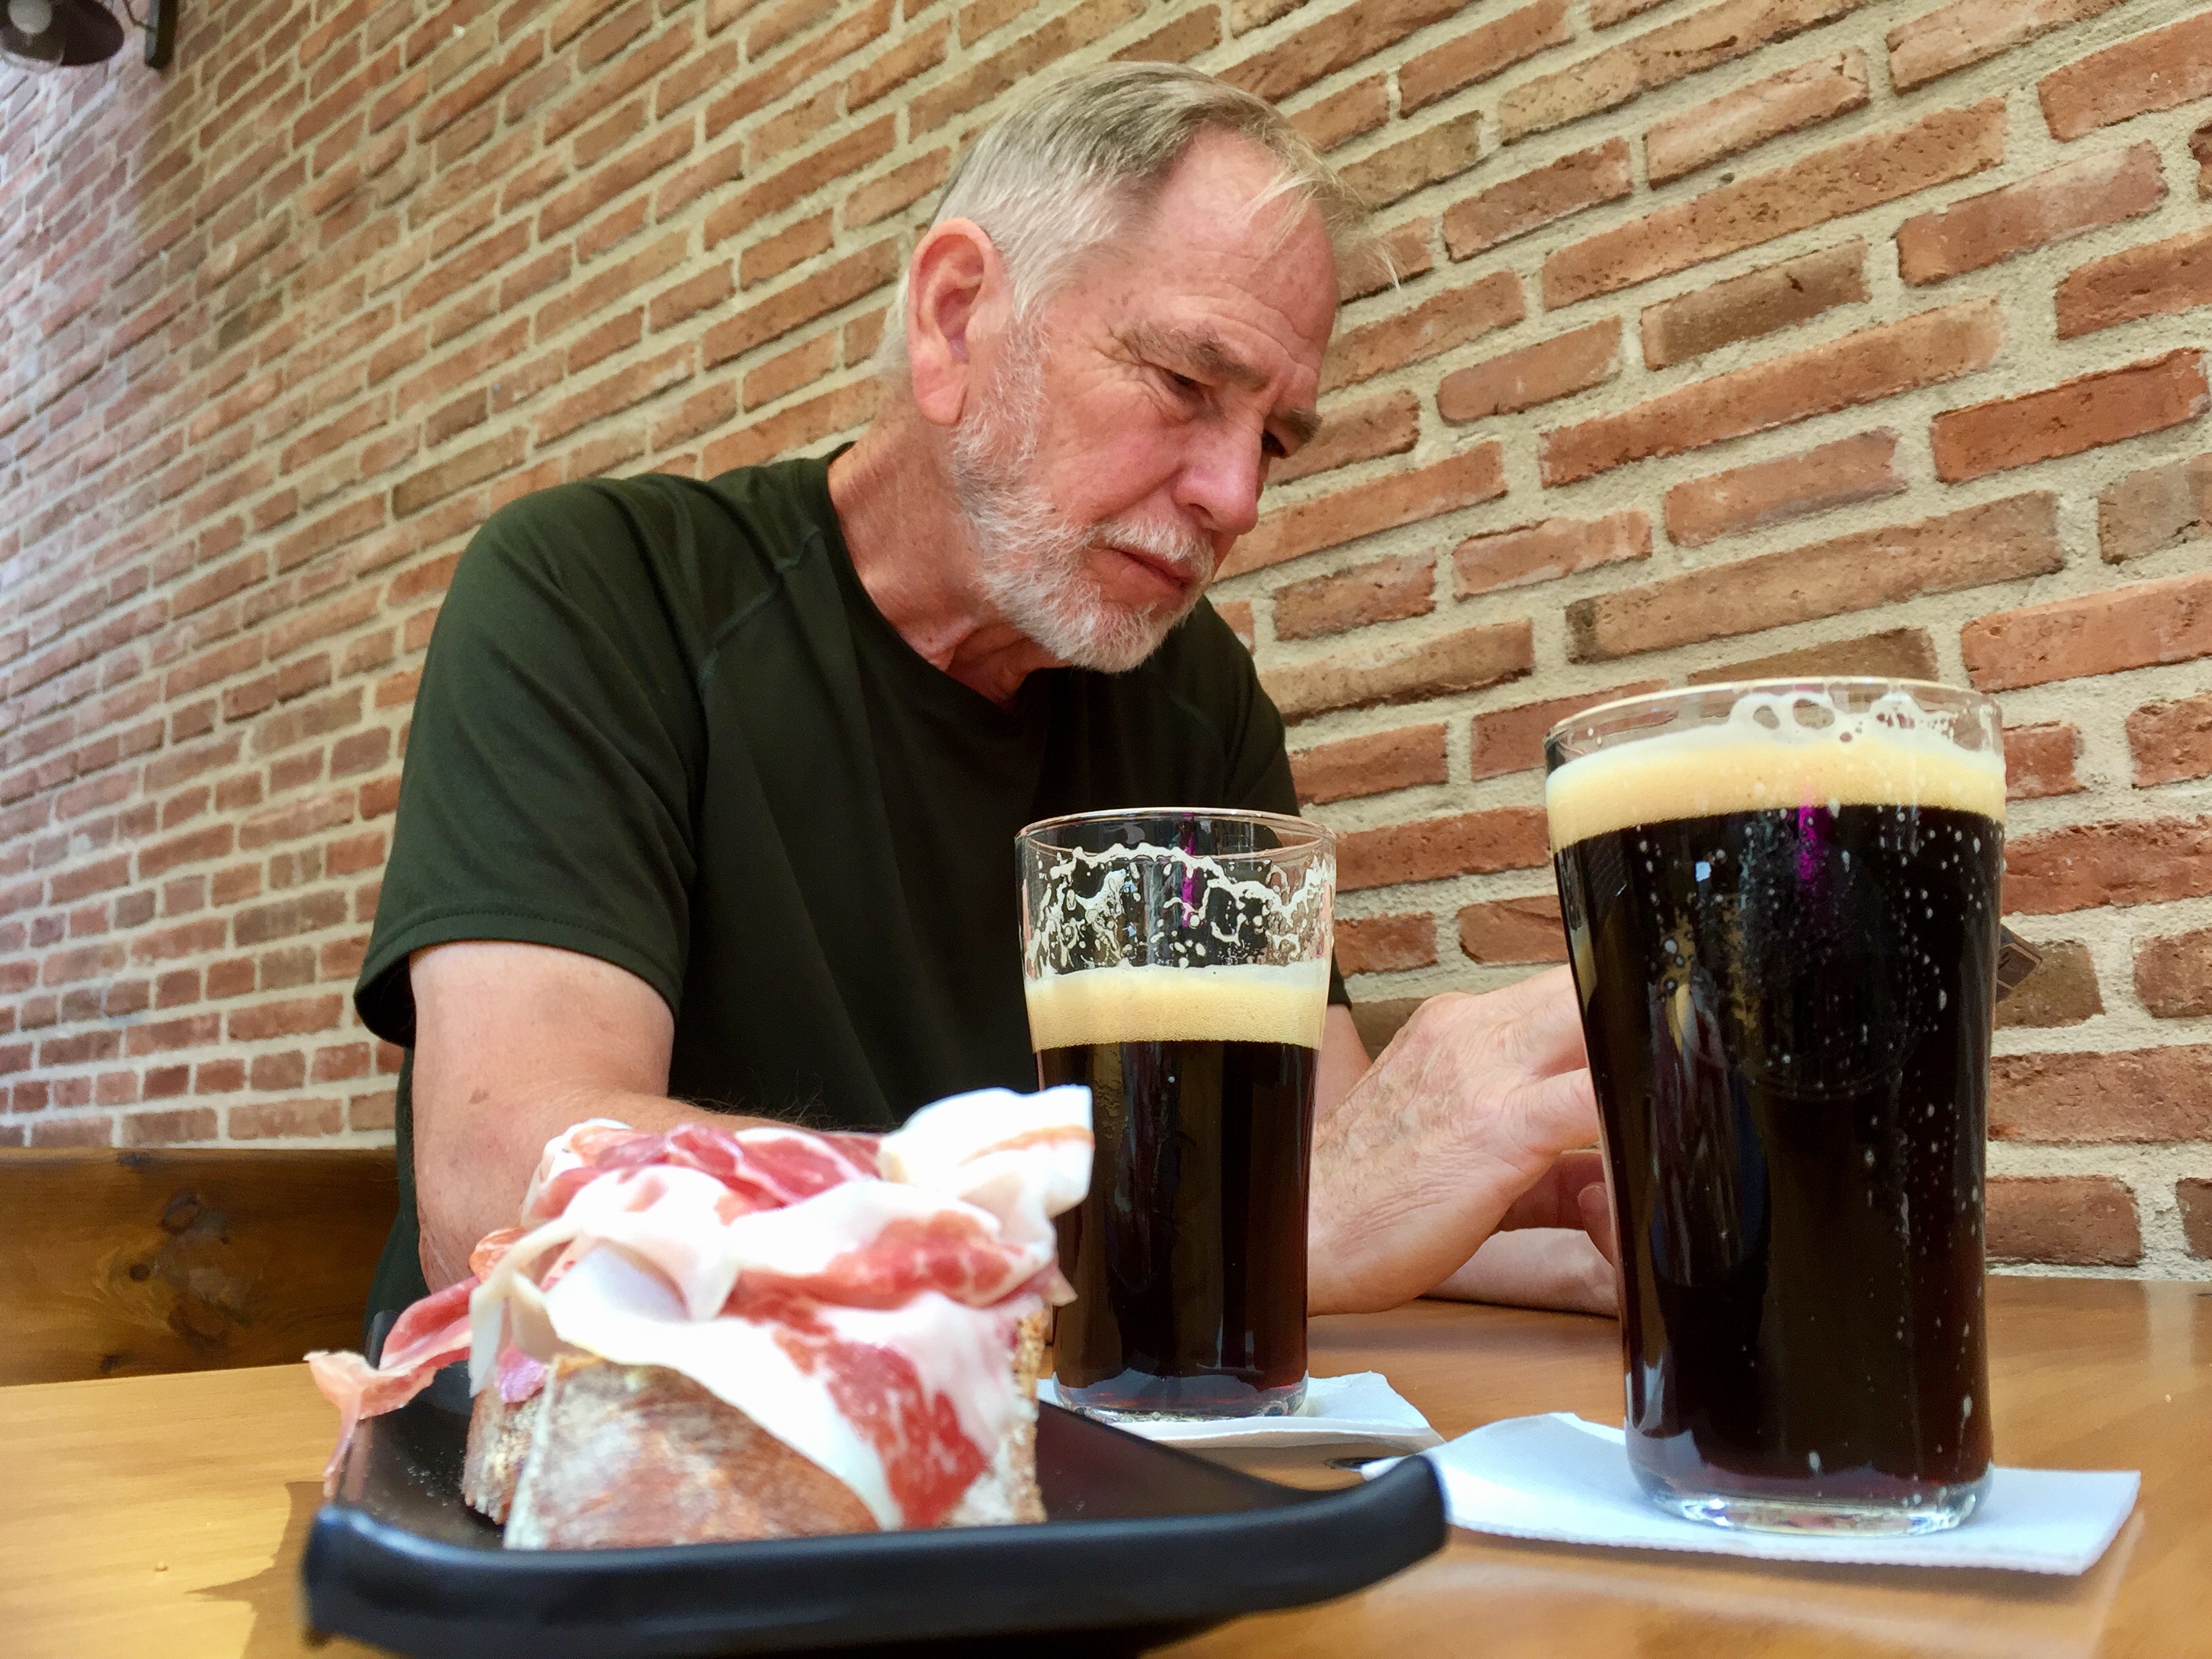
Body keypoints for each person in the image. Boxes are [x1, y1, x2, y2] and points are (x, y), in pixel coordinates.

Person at [353, 62, 1616, 1332]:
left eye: (1275, 440)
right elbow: (512, 1183)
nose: (1236, 498)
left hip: (1024, 1436)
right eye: (1186, 384)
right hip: (600, 1436)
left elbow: (1326, 1172)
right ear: (955, 321)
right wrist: (1198, 1227)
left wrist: (1581, 1227)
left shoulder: (1193, 698)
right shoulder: (603, 593)